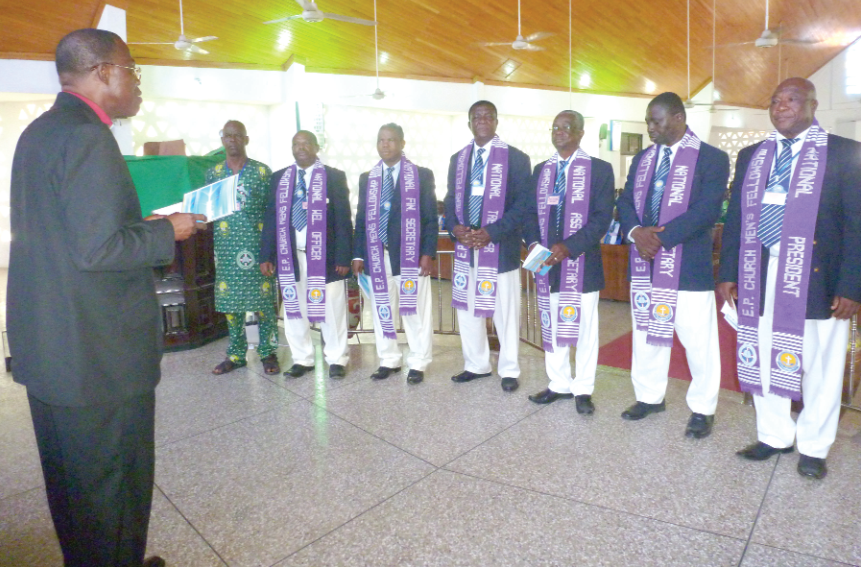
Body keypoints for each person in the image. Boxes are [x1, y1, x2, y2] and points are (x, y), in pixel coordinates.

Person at [8, 28, 205, 567]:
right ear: (102, 72)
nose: (138, 83)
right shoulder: (89, 137)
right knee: (114, 489)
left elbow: (66, 234)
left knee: (74, 493)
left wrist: (134, 226)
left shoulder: (41, 132)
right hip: (99, 356)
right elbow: (99, 249)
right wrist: (171, 231)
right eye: (132, 69)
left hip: (53, 349)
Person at [718, 78, 861, 479]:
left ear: (813, 105)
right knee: (763, 358)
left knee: (821, 365)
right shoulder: (752, 156)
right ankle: (774, 434)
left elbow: (857, 224)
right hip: (759, 273)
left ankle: (814, 445)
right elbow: (736, 219)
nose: (781, 107)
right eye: (775, 100)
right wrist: (728, 271)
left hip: (820, 280)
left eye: (792, 100)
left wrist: (852, 286)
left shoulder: (845, 154)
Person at [617, 92, 729, 438]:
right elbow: (625, 201)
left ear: (678, 117)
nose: (650, 128)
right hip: (646, 264)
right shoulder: (643, 159)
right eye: (648, 121)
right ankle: (650, 397)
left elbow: (708, 209)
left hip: (688, 265)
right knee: (647, 335)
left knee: (698, 341)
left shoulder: (711, 158)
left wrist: (659, 238)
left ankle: (703, 408)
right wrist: (637, 232)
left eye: (656, 121)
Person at [523, 111, 615, 413]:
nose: (560, 132)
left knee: (585, 330)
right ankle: (558, 383)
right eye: (556, 127)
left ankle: (583, 388)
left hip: (582, 263)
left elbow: (601, 219)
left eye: (567, 128)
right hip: (546, 264)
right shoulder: (541, 171)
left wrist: (568, 247)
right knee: (551, 324)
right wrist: (535, 244)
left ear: (580, 133)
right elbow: (529, 215)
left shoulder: (599, 170)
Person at [443, 100, 532, 392]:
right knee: (467, 311)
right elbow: (450, 199)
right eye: (476, 117)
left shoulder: (516, 159)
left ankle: (509, 369)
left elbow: (523, 206)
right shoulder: (458, 158)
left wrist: (492, 232)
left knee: (505, 313)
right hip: (465, 250)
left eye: (488, 116)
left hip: (500, 249)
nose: (482, 120)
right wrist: (454, 227)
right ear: (469, 123)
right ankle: (476, 365)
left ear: (496, 122)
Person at [260, 131, 353, 379]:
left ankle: (337, 359)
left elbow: (344, 219)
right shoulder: (280, 178)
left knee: (331, 309)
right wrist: (266, 255)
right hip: (289, 256)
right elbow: (271, 218)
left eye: (306, 143)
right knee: (294, 309)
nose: (301, 148)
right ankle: (303, 359)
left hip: (326, 258)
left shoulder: (333, 177)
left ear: (316, 147)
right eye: (296, 144)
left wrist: (344, 257)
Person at [352, 123, 437, 384]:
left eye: (391, 140)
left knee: (415, 311)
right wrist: (358, 254)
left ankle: (419, 361)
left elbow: (430, 217)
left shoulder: (421, 175)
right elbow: (362, 219)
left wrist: (427, 252)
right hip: (377, 256)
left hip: (410, 256)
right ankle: (389, 359)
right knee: (382, 309)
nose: (385, 145)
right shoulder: (368, 177)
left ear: (402, 143)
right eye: (381, 140)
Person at [207, 120, 280, 376]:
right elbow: (209, 211)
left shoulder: (262, 172)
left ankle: (267, 353)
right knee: (232, 306)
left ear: (246, 140)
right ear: (222, 139)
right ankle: (236, 354)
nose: (232, 140)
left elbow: (272, 214)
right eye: (227, 135)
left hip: (257, 248)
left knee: (263, 303)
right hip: (226, 250)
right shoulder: (214, 174)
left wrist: (269, 251)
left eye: (237, 136)